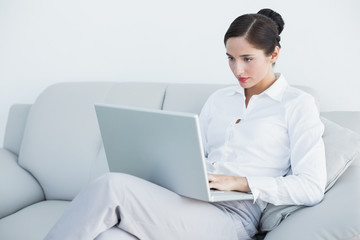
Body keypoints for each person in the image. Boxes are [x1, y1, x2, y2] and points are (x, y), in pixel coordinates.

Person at [45, 8, 326, 240]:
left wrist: (241, 183)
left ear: (273, 54)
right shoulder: (219, 99)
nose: (238, 70)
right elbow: (194, 155)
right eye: (230, 58)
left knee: (111, 186)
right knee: (109, 236)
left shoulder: (297, 104)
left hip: (235, 216)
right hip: (188, 199)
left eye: (247, 59)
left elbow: (311, 186)